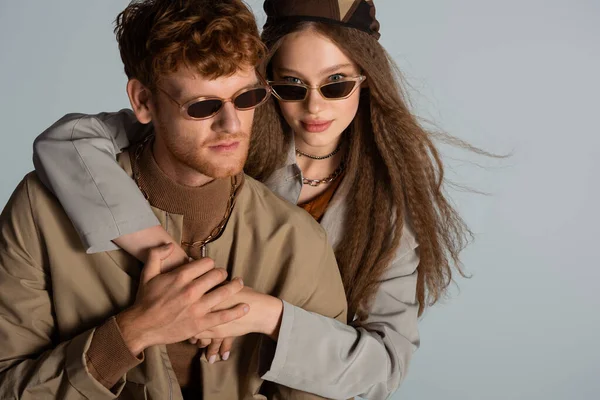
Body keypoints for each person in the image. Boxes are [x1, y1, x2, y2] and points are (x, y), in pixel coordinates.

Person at [32, 0, 471, 399]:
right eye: (292, 86)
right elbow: (68, 143)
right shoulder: (226, 130)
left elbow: (383, 366)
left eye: (336, 84)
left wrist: (264, 316)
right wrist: (162, 254)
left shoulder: (388, 211)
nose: (314, 107)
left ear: (367, 81)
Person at [0, 0, 348, 399]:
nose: (232, 125)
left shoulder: (298, 242)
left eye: (247, 99)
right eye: (202, 106)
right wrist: (135, 331)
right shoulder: (39, 211)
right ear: (144, 102)